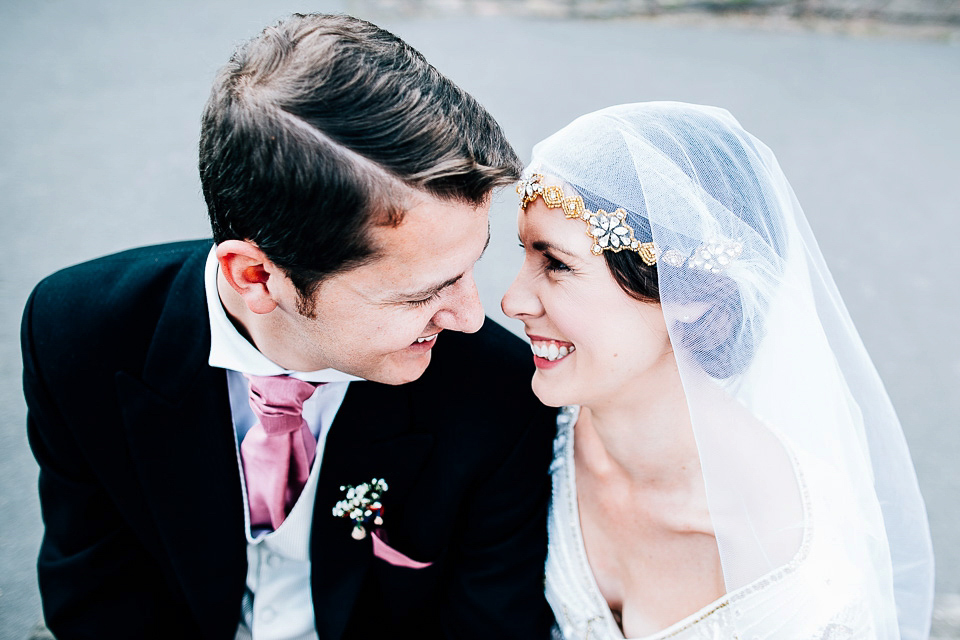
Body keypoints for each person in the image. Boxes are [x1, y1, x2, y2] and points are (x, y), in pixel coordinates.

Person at [22, 14, 556, 640]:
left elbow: (486, 624)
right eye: (419, 294)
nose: (471, 317)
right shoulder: (81, 333)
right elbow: (95, 591)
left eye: (467, 267)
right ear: (254, 275)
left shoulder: (497, 391)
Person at [502, 102, 934, 639]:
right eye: (523, 254)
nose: (512, 300)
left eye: (558, 265)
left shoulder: (798, 571)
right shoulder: (530, 439)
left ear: (691, 294)